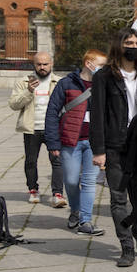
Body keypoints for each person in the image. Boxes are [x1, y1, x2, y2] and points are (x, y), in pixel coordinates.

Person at [90, 29, 137, 267]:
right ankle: (126, 246)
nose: (133, 46)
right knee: (118, 199)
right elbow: (97, 114)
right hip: (116, 145)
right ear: (119, 45)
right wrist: (98, 150)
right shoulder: (104, 76)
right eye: (129, 42)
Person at [44, 49, 107, 236]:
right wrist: (53, 143)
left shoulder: (104, 85)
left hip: (94, 143)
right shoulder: (66, 83)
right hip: (70, 141)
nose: (105, 69)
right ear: (89, 64)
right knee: (71, 181)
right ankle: (75, 210)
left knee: (89, 181)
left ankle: (85, 221)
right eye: (102, 65)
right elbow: (52, 113)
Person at [8, 51, 66, 208]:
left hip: (52, 129)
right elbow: (14, 104)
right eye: (38, 64)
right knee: (31, 161)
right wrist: (28, 91)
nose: (42, 67)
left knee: (57, 160)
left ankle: (57, 194)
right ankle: (33, 189)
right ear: (34, 65)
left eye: (45, 64)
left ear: (51, 64)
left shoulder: (59, 82)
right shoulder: (24, 82)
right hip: (32, 128)